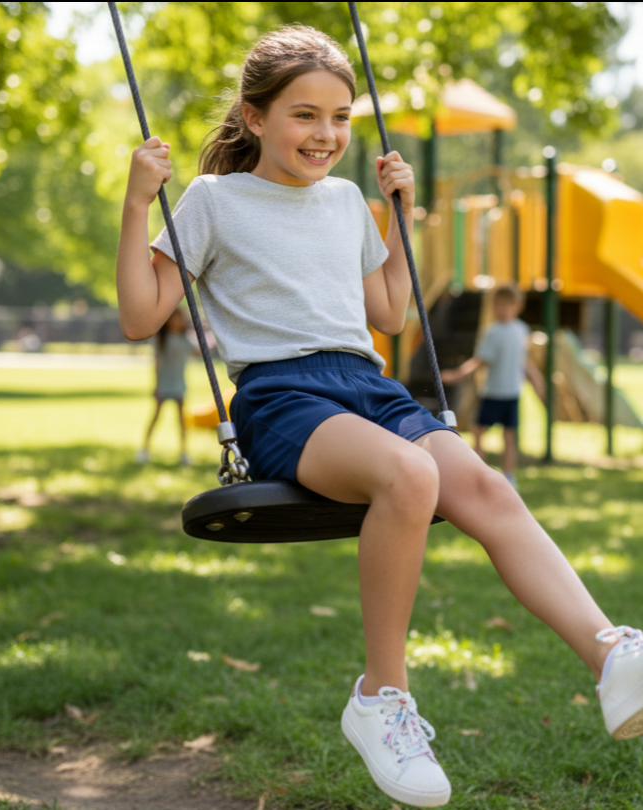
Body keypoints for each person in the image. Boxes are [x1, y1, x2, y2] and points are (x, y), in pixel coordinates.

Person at [115, 25, 643, 808]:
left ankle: (611, 656)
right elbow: (140, 312)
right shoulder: (212, 201)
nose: (325, 134)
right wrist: (134, 201)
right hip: (280, 397)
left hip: (366, 384)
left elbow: (390, 315)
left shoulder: (346, 203)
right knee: (408, 473)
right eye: (304, 115)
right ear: (255, 117)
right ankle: (381, 698)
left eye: (340, 118)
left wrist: (396, 219)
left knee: (489, 490)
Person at [441, 284, 545, 488]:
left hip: (511, 394)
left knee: (509, 436)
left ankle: (509, 477)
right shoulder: (492, 332)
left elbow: (525, 362)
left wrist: (537, 384)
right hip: (492, 393)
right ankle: (476, 471)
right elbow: (480, 361)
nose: (502, 309)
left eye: (507, 304)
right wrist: (458, 374)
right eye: (498, 305)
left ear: (517, 306)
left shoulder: (521, 330)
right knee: (478, 431)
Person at [136, 307, 198, 465]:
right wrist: (157, 385)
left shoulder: (184, 340)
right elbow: (157, 363)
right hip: (164, 384)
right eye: (174, 318)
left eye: (180, 319)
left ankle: (184, 452)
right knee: (156, 417)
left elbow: (197, 351)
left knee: (181, 419)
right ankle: (144, 449)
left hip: (179, 384)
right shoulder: (162, 340)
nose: (177, 322)